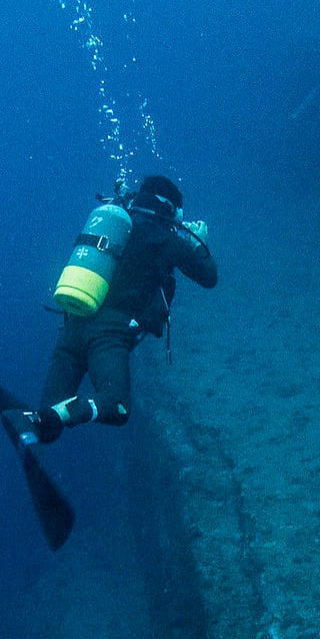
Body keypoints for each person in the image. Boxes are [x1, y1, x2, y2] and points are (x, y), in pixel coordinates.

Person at [17, 174, 217, 444]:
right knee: (117, 406)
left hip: (73, 325)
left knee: (48, 426)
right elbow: (209, 278)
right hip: (109, 335)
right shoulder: (166, 240)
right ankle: (67, 412)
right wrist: (197, 244)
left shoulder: (117, 222)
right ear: (168, 207)